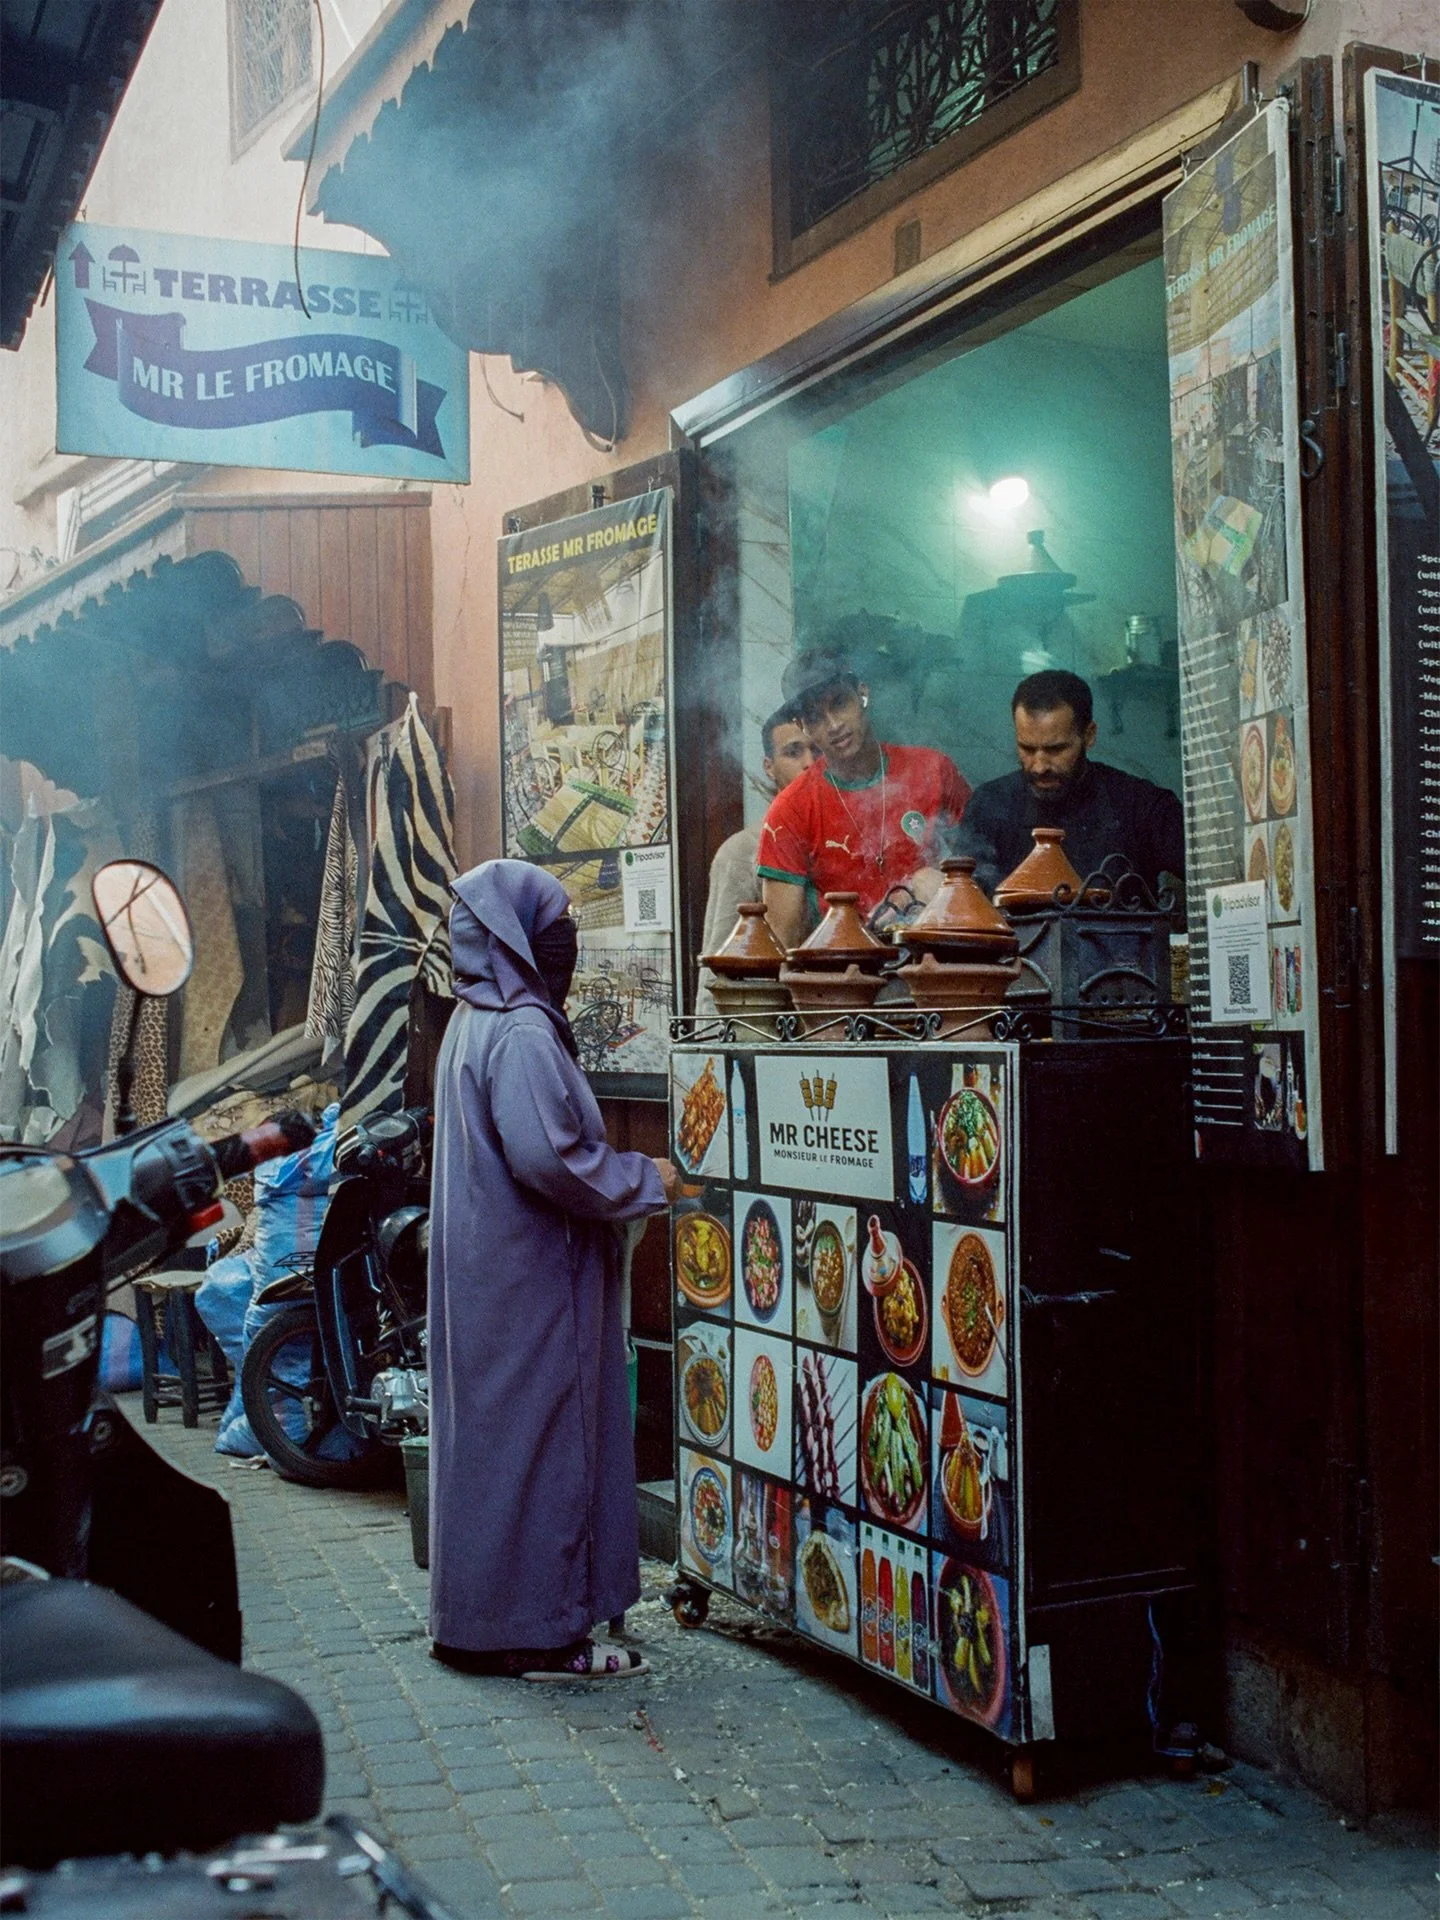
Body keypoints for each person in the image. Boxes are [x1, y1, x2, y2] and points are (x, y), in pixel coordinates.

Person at [427, 859, 681, 1679]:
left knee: (495, 1452)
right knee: (546, 1448)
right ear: (519, 937)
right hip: (535, 1281)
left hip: (490, 1275)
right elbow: (551, 1159)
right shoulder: (522, 1032)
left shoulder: (473, 1019)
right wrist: (646, 1178)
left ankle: (480, 1622)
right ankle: (542, 1634)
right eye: (557, 923)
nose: (568, 938)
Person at [757, 647, 972, 951]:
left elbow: (982, 871)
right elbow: (782, 944)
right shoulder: (790, 810)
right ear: (802, 726)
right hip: (843, 969)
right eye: (816, 717)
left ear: (862, 693)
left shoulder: (934, 770)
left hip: (939, 959)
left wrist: (932, 887)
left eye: (839, 703)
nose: (834, 725)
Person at [955, 669, 1185, 899]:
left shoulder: (1142, 807)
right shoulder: (989, 806)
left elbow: (1204, 877)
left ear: (1089, 735)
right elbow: (962, 897)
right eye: (1027, 748)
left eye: (1056, 749)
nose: (1039, 766)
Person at [695, 703, 816, 1014]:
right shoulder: (741, 852)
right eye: (793, 752)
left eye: (817, 750)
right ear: (769, 767)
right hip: (776, 1027)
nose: (810, 763)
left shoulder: (849, 836)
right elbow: (718, 975)